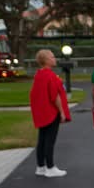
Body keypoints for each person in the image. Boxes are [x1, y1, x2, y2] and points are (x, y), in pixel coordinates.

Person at [29, 49, 71, 178]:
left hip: (42, 112)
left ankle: (40, 166)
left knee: (42, 139)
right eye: (52, 57)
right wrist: (62, 112)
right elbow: (55, 96)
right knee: (49, 141)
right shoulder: (50, 75)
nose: (54, 59)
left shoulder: (39, 75)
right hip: (51, 112)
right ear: (46, 60)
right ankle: (50, 167)